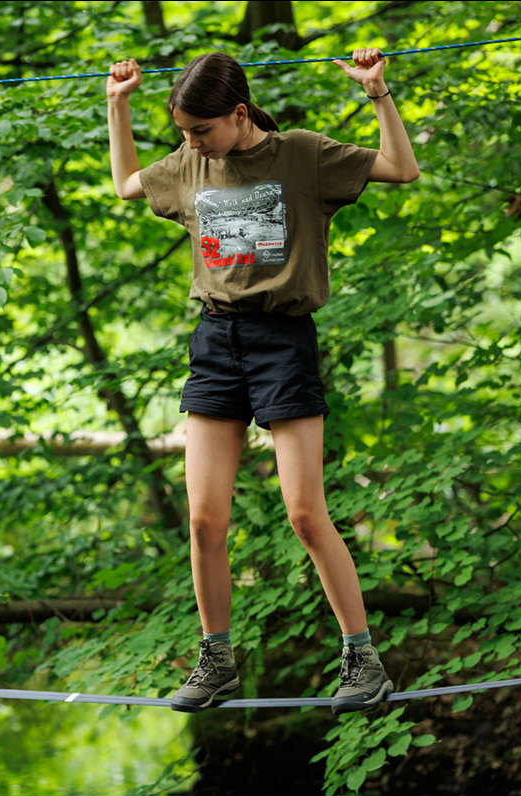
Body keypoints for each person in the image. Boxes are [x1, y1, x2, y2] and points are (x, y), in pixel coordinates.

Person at [105, 48, 419, 714]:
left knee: (305, 513)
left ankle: (362, 659)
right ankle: (216, 659)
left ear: (240, 114)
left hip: (283, 341)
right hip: (215, 342)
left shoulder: (302, 155)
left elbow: (402, 168)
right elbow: (127, 184)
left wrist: (377, 93)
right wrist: (117, 103)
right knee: (203, 519)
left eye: (202, 130)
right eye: (185, 132)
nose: (192, 143)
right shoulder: (190, 164)